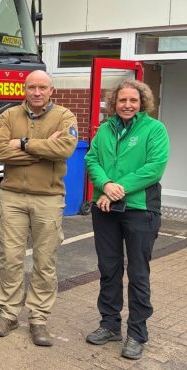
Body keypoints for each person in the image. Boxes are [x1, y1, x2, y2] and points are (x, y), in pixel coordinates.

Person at [0, 70, 78, 346]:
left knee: (44, 262)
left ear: (51, 90)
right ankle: (9, 314)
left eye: (42, 88)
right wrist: (42, 150)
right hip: (13, 196)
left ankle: (38, 319)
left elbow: (64, 149)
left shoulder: (65, 117)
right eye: (32, 88)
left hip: (48, 198)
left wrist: (25, 143)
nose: (37, 92)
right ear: (24, 89)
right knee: (11, 259)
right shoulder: (9, 116)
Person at [84, 79, 169, 360]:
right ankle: (109, 325)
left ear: (142, 102)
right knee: (108, 270)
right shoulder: (104, 129)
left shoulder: (154, 129)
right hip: (105, 209)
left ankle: (137, 333)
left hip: (140, 211)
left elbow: (154, 168)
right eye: (122, 100)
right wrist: (105, 184)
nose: (127, 105)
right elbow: (92, 159)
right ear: (114, 103)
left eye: (133, 100)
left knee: (138, 274)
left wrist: (116, 188)